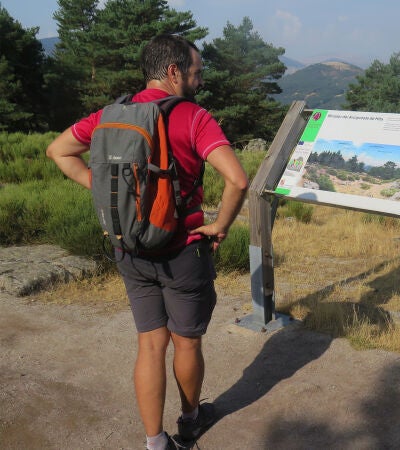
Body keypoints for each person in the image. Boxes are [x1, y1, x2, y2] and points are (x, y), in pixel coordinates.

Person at [46, 34, 249, 450]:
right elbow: (238, 179)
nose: (200, 80)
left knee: (150, 344)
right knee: (186, 341)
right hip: (182, 250)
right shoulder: (193, 116)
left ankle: (156, 443)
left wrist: (102, 190)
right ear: (174, 71)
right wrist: (222, 225)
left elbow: (58, 150)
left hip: (130, 248)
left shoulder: (111, 114)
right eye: (196, 72)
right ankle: (190, 421)